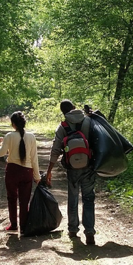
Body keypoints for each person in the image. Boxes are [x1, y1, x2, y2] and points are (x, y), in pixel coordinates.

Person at [44, 100, 97, 246]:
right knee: (88, 198)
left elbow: (55, 150)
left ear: (64, 112)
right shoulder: (88, 121)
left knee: (73, 198)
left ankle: (73, 229)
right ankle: (90, 232)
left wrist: (49, 171)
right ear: (74, 108)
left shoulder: (63, 126)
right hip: (88, 166)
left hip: (72, 168)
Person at [0, 111, 40, 232]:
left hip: (12, 170)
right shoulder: (31, 137)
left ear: (13, 124)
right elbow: (34, 158)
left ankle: (14, 224)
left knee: (12, 198)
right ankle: (24, 226)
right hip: (27, 171)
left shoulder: (9, 136)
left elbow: (1, 153)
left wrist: (0, 143)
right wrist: (37, 176)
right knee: (24, 200)